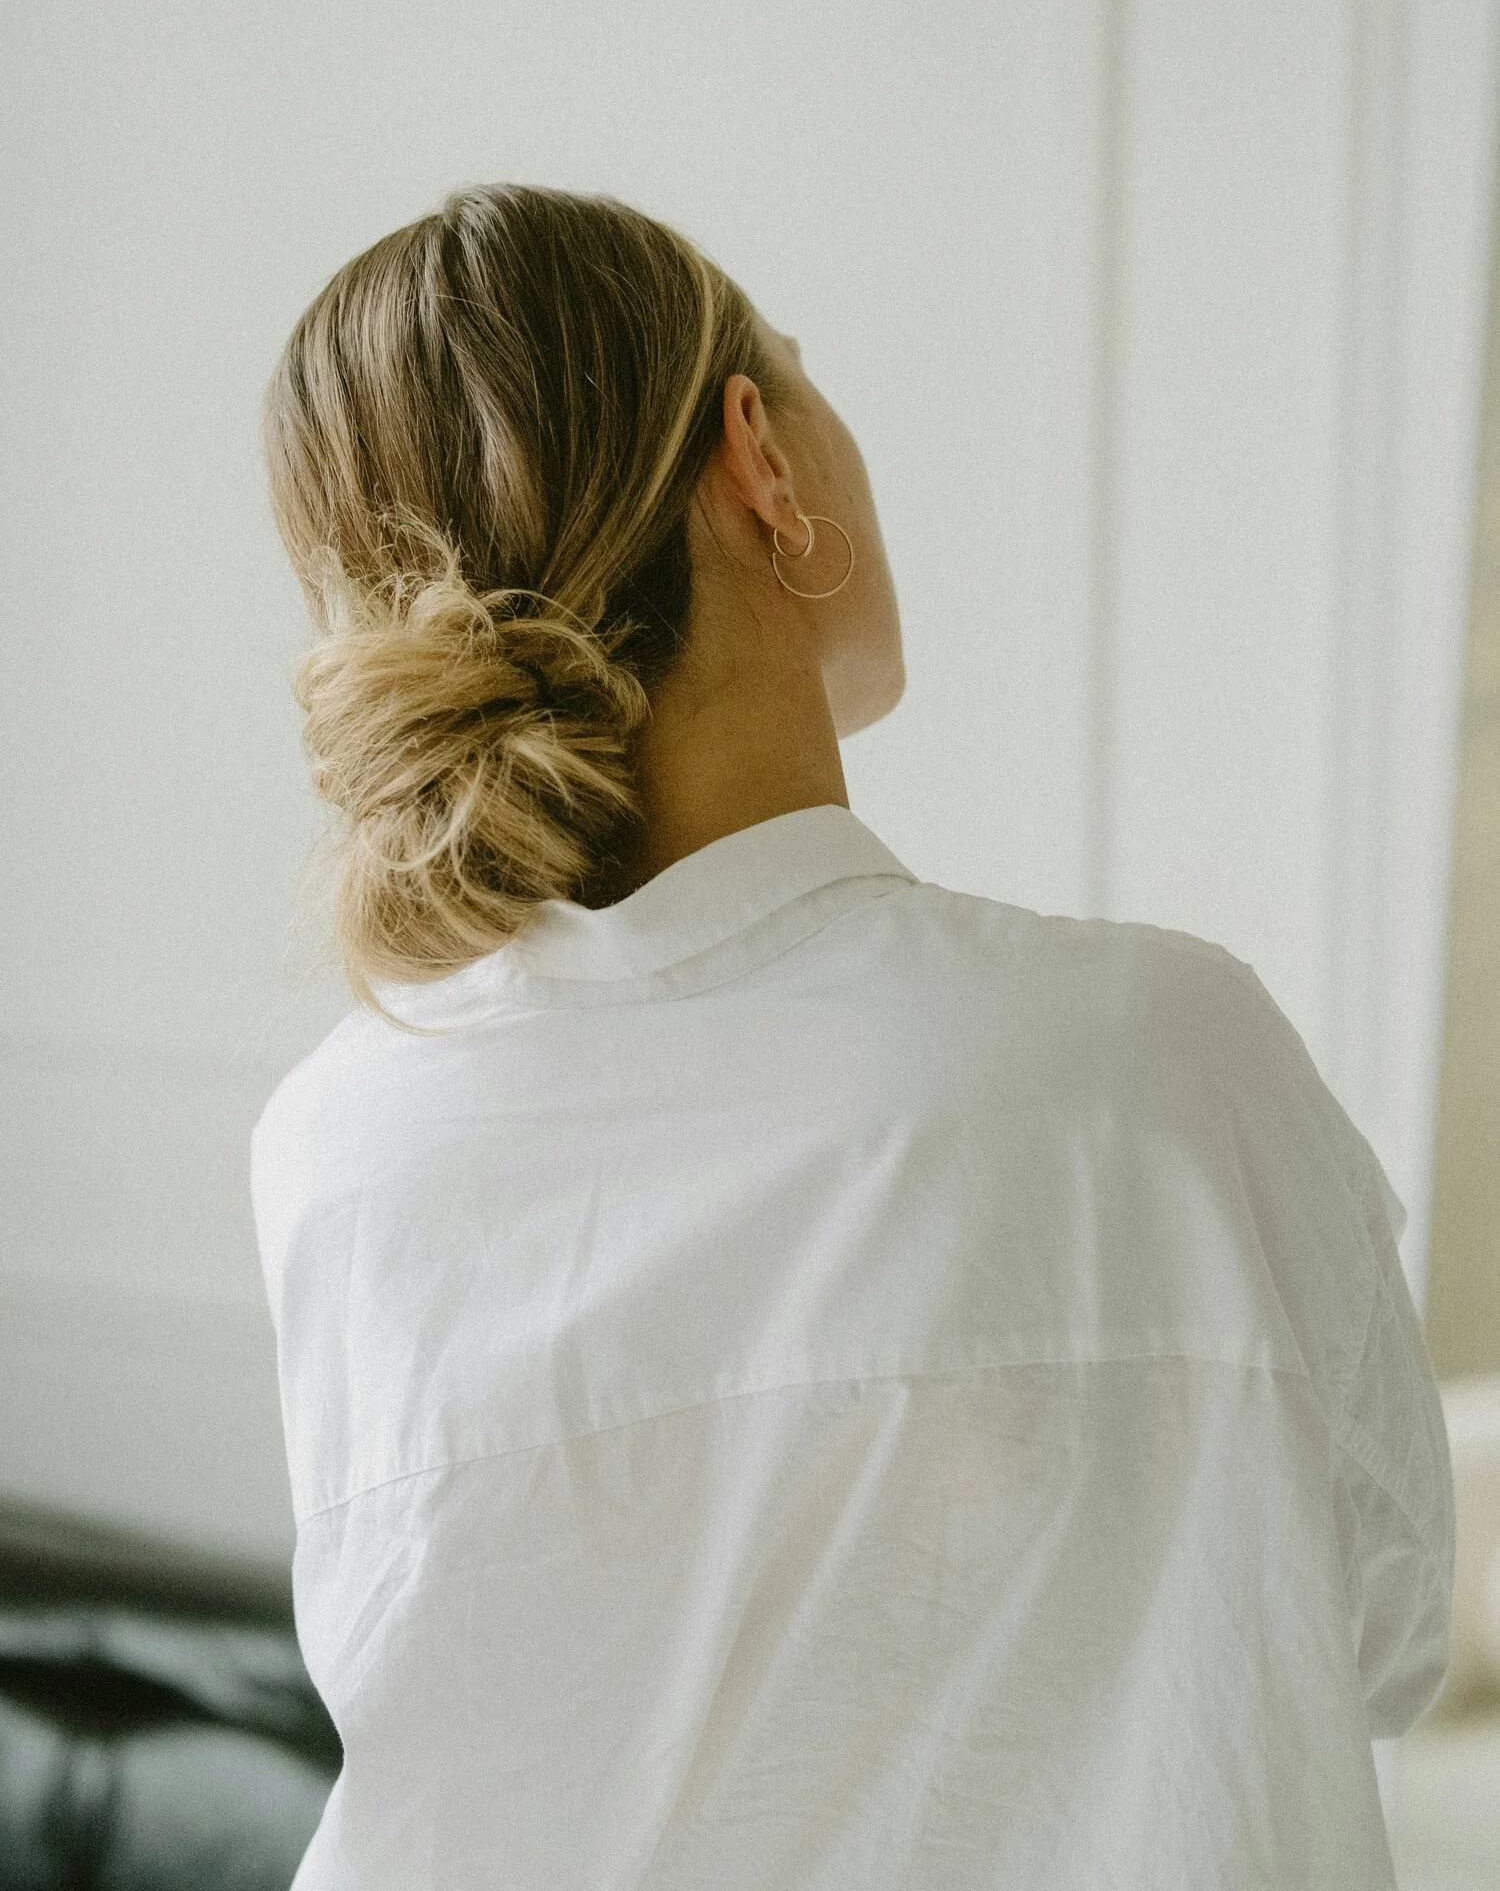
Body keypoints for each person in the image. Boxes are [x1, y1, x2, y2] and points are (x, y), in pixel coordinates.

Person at [252, 182, 1455, 1890]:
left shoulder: (338, 1139)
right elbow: (1388, 1622)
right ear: (761, 458)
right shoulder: (1152, 1057)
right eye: (804, 384)